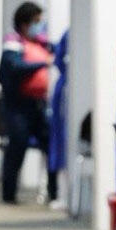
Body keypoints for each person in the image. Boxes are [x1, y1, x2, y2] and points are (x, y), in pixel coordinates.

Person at [0, 1, 52, 205]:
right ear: (24, 24)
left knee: (49, 143)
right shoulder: (13, 43)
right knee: (17, 145)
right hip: (17, 106)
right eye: (36, 21)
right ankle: (9, 194)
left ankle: (54, 192)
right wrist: (42, 64)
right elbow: (14, 66)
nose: (40, 26)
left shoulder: (40, 43)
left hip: (38, 104)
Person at [48, 29, 68, 209]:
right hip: (63, 99)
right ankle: (62, 193)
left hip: (65, 95)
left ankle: (63, 194)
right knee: (61, 144)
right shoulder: (69, 35)